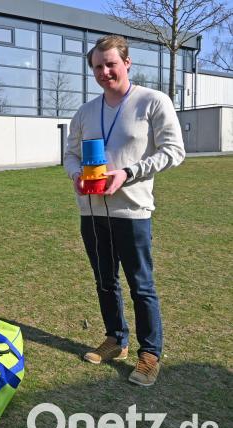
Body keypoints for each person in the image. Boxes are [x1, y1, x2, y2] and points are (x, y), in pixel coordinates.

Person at [64, 35, 185, 386]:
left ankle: (150, 353)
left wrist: (128, 173)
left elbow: (174, 151)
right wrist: (75, 175)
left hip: (132, 212)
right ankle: (116, 339)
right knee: (105, 282)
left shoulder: (152, 101)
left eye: (110, 64)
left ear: (127, 63)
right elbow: (71, 153)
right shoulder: (86, 111)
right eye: (97, 66)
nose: (104, 72)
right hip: (92, 211)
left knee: (141, 285)